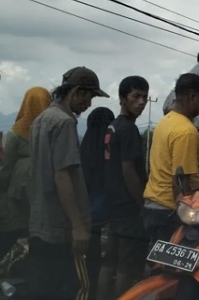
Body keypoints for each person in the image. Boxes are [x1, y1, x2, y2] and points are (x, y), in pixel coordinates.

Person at [28, 66, 109, 299]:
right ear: (76, 92)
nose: (89, 104)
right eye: (89, 96)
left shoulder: (41, 119)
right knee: (76, 288)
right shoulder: (65, 122)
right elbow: (62, 176)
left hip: (40, 224)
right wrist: (78, 226)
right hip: (62, 228)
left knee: (44, 289)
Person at [98, 76, 150, 299]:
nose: (141, 102)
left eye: (145, 97)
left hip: (113, 204)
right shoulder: (128, 129)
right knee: (127, 266)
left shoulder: (112, 127)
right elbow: (128, 170)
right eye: (136, 96)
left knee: (110, 259)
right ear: (122, 99)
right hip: (129, 207)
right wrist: (141, 203)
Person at [142, 73, 199, 249]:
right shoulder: (185, 131)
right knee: (176, 271)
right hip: (171, 211)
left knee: (157, 266)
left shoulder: (165, 122)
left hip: (153, 207)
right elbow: (180, 181)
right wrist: (189, 217)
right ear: (192, 97)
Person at [0, 87, 51, 260]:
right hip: (21, 196)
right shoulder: (18, 133)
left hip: (27, 194)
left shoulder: (48, 130)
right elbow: (6, 167)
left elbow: (5, 168)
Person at [79, 107, 116, 300]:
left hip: (87, 210)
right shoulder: (109, 144)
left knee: (89, 258)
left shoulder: (85, 144)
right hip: (105, 210)